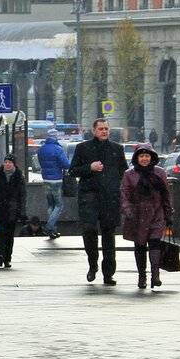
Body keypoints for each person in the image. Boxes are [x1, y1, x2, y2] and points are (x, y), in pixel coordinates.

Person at [69, 118, 128, 285]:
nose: (104, 131)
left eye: (106, 129)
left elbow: (124, 172)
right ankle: (92, 264)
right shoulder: (83, 148)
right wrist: (90, 168)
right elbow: (72, 170)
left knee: (109, 235)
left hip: (110, 198)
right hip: (89, 197)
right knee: (89, 230)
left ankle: (108, 273)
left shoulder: (117, 149)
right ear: (94, 131)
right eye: (101, 129)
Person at [120, 144, 174, 289]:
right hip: (137, 216)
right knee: (140, 246)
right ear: (136, 158)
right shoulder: (129, 174)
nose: (144, 159)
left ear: (152, 158)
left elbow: (166, 195)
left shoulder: (160, 173)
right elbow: (124, 194)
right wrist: (127, 210)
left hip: (157, 213)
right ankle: (141, 275)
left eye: (147, 156)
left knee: (155, 243)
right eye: (141, 156)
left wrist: (168, 213)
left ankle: (155, 275)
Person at [0, 154, 27, 268]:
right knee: (0, 234)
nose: (7, 164)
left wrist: (22, 212)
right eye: (6, 162)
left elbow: (22, 195)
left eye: (9, 162)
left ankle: (7, 257)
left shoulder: (19, 176)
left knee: (9, 235)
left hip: (12, 211)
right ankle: (0, 255)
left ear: (14, 164)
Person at [36, 128, 70, 239]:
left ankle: (53, 231)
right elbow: (66, 164)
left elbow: (40, 163)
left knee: (50, 205)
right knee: (59, 205)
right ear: (56, 137)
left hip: (45, 179)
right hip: (56, 180)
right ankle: (49, 226)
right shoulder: (58, 149)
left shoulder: (41, 149)